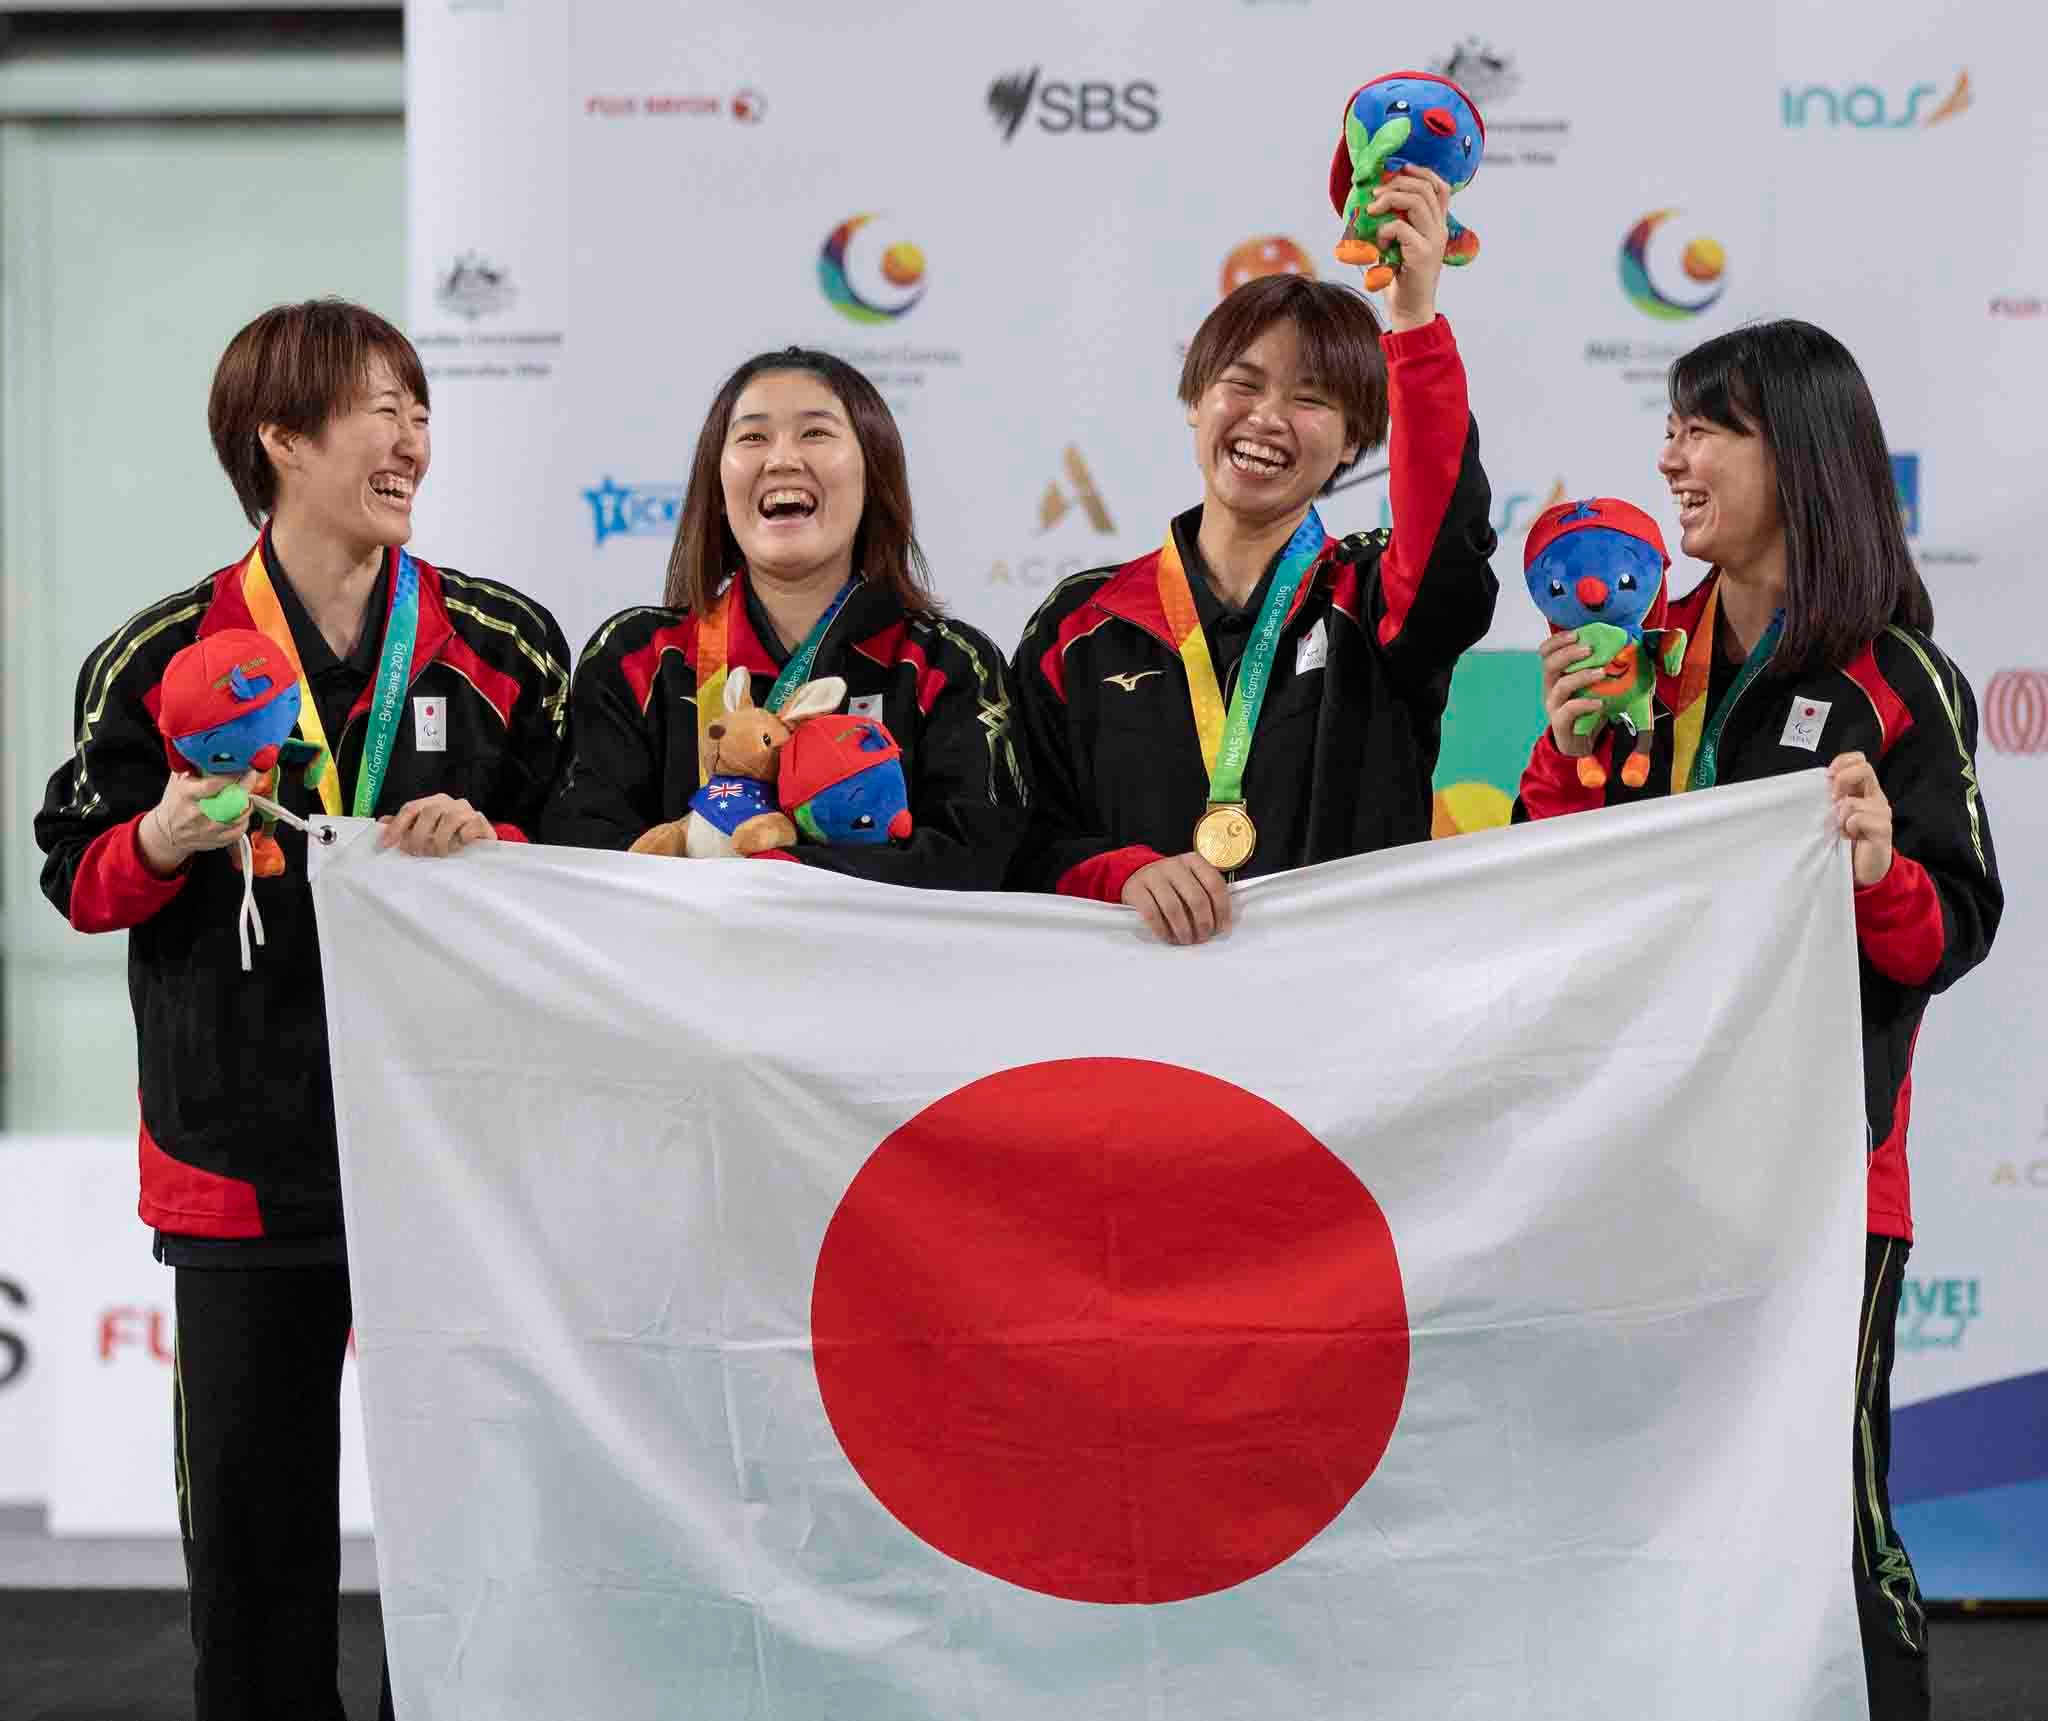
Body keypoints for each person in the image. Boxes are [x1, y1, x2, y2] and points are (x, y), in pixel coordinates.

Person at [35, 299, 572, 1721]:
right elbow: (76, 879)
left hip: (460, 1158)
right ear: (279, 437)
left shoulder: (506, 640)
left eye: (420, 406)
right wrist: (158, 838)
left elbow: (590, 870)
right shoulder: (159, 653)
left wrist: (498, 849)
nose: (412, 438)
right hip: (242, 1158)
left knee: (475, 1548)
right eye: (377, 408)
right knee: (258, 1561)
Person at [1516, 318, 2001, 1721]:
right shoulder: (1631, 650)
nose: (1670, 454)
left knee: (1826, 1520)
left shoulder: (1897, 678)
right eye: (1670, 425)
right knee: (1633, 1519)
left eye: (1705, 426)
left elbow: (1954, 927)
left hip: (1820, 1178)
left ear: (1800, 452)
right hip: (1632, 1156)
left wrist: (1873, 870)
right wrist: (1562, 758)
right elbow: (1561, 896)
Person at [1008, 168, 1496, 942]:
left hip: (1348, 1015)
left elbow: (1445, 552)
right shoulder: (1080, 623)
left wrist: (1412, 318)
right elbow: (1019, 837)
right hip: (1130, 1027)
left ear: (1354, 444)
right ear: (1196, 398)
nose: (1267, 419)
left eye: (1311, 400)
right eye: (1242, 385)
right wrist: (1122, 873)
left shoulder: (1373, 598)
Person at [545, 347, 1027, 883]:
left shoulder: (948, 665)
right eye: (752, 437)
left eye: (815, 433)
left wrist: (773, 870)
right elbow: (579, 855)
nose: (781, 459)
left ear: (874, 471)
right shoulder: (637, 657)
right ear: (717, 482)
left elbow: (977, 861)